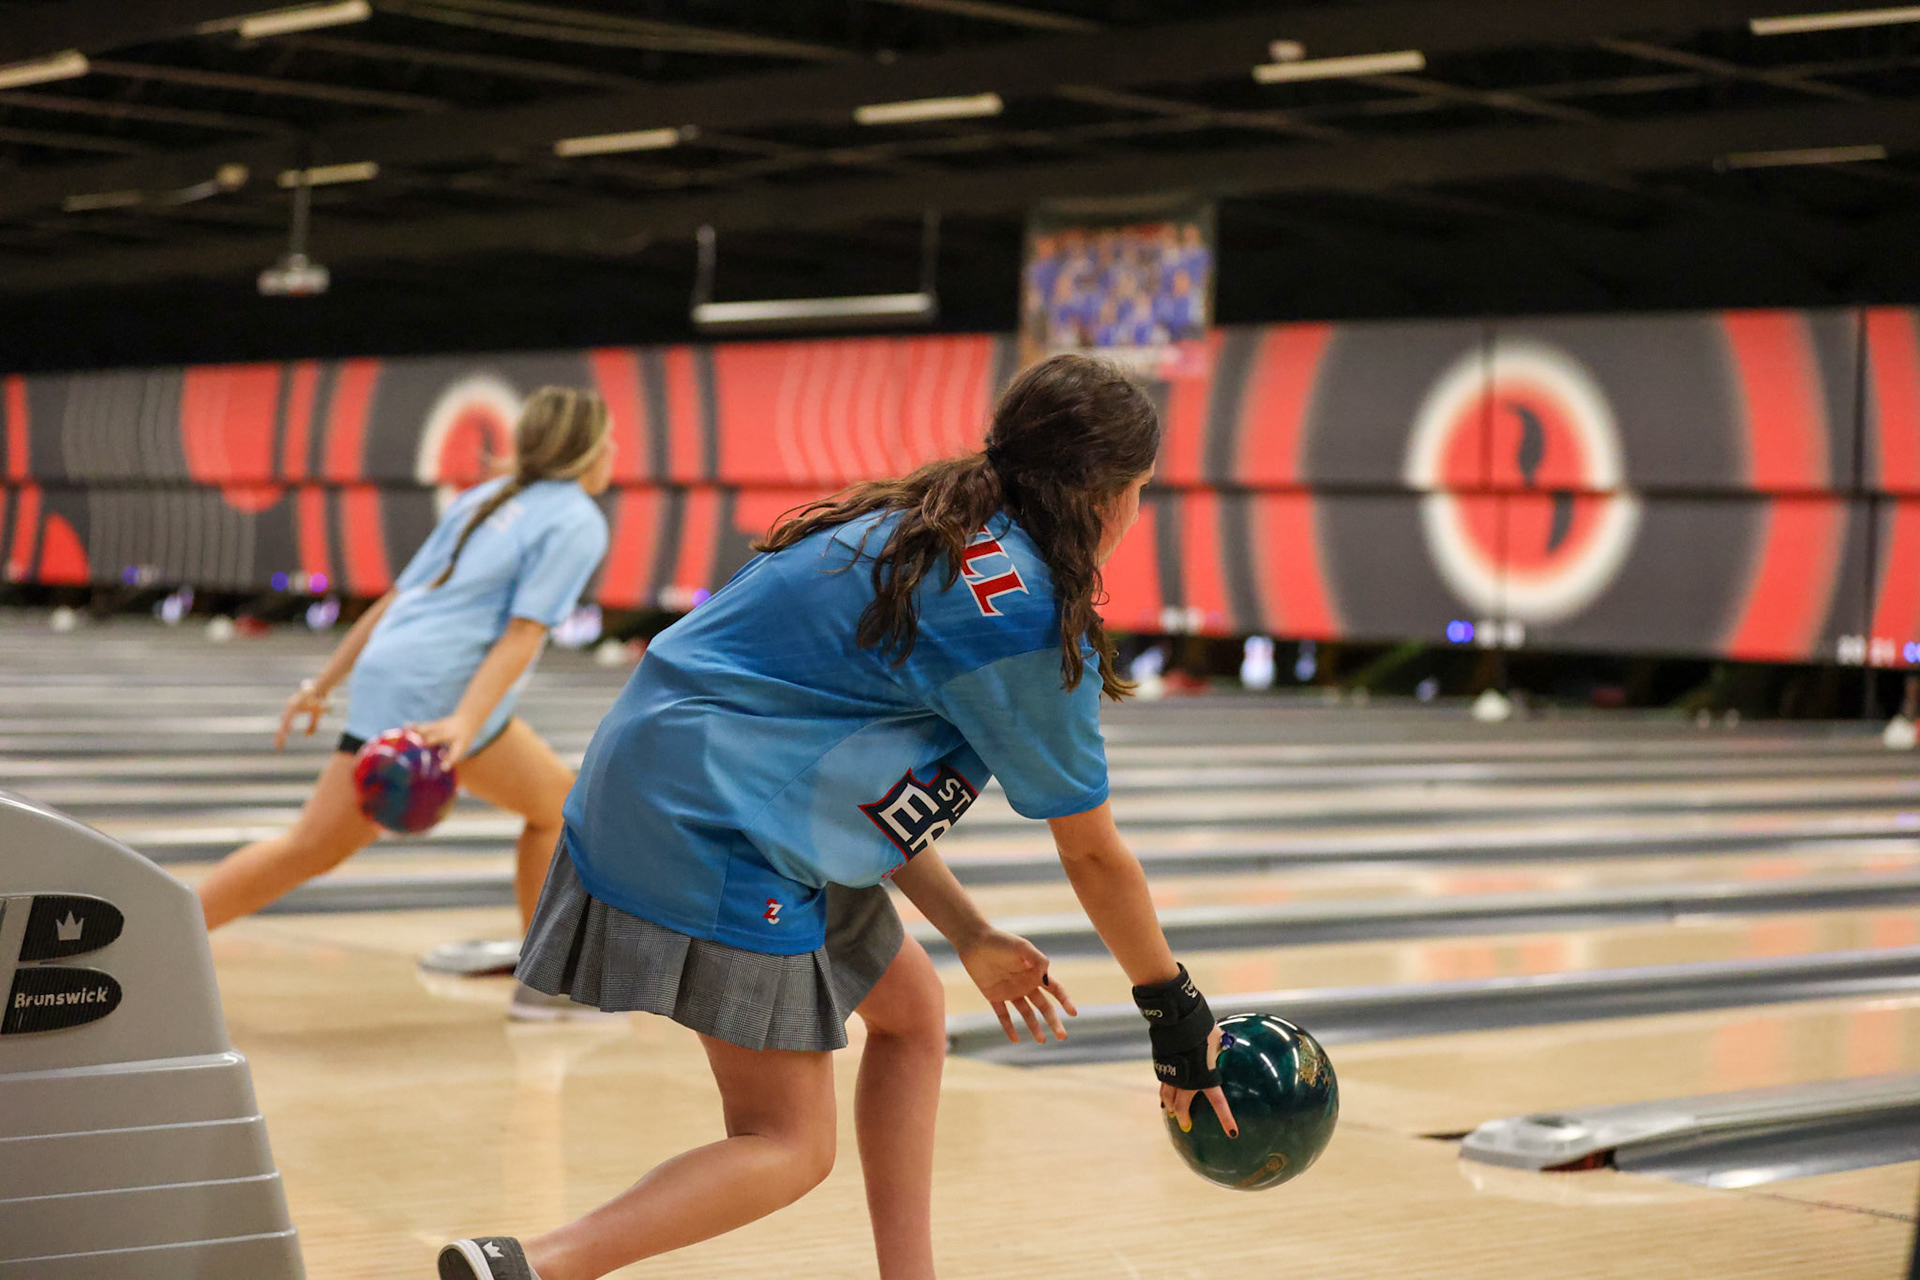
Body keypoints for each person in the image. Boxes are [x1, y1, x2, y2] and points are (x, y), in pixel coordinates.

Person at [439, 355, 1236, 1280]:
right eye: (1140, 492)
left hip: (664, 777)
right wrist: (1174, 1016)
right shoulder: (1017, 616)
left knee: (911, 1011)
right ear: (1107, 497)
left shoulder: (911, 524)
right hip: (719, 828)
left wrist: (970, 931)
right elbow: (1092, 855)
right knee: (788, 1142)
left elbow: (843, 773)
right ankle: (529, 1265)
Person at [196, 386, 613, 1019]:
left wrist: (325, 682)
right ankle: (541, 986)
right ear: (586, 450)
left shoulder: (486, 498)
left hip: (403, 671)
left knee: (552, 807)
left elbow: (397, 598)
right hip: (438, 688)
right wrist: (464, 722)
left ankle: (542, 979)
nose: (613, 451)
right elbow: (523, 632)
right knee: (552, 812)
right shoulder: (576, 518)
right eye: (608, 439)